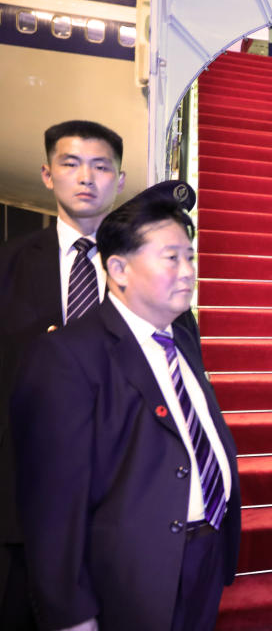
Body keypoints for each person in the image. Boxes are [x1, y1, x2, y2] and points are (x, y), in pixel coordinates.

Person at [9, 183, 241, 631]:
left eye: (190, 257)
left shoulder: (184, 340)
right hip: (127, 582)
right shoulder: (67, 357)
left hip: (205, 558)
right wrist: (70, 615)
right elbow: (51, 506)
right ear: (117, 268)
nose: (189, 271)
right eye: (171, 258)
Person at [0, 120, 126, 630]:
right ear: (48, 174)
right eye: (71, 164)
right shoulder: (8, 265)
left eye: (101, 167)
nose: (86, 178)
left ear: (119, 180)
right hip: (20, 491)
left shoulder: (139, 271)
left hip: (112, 494)